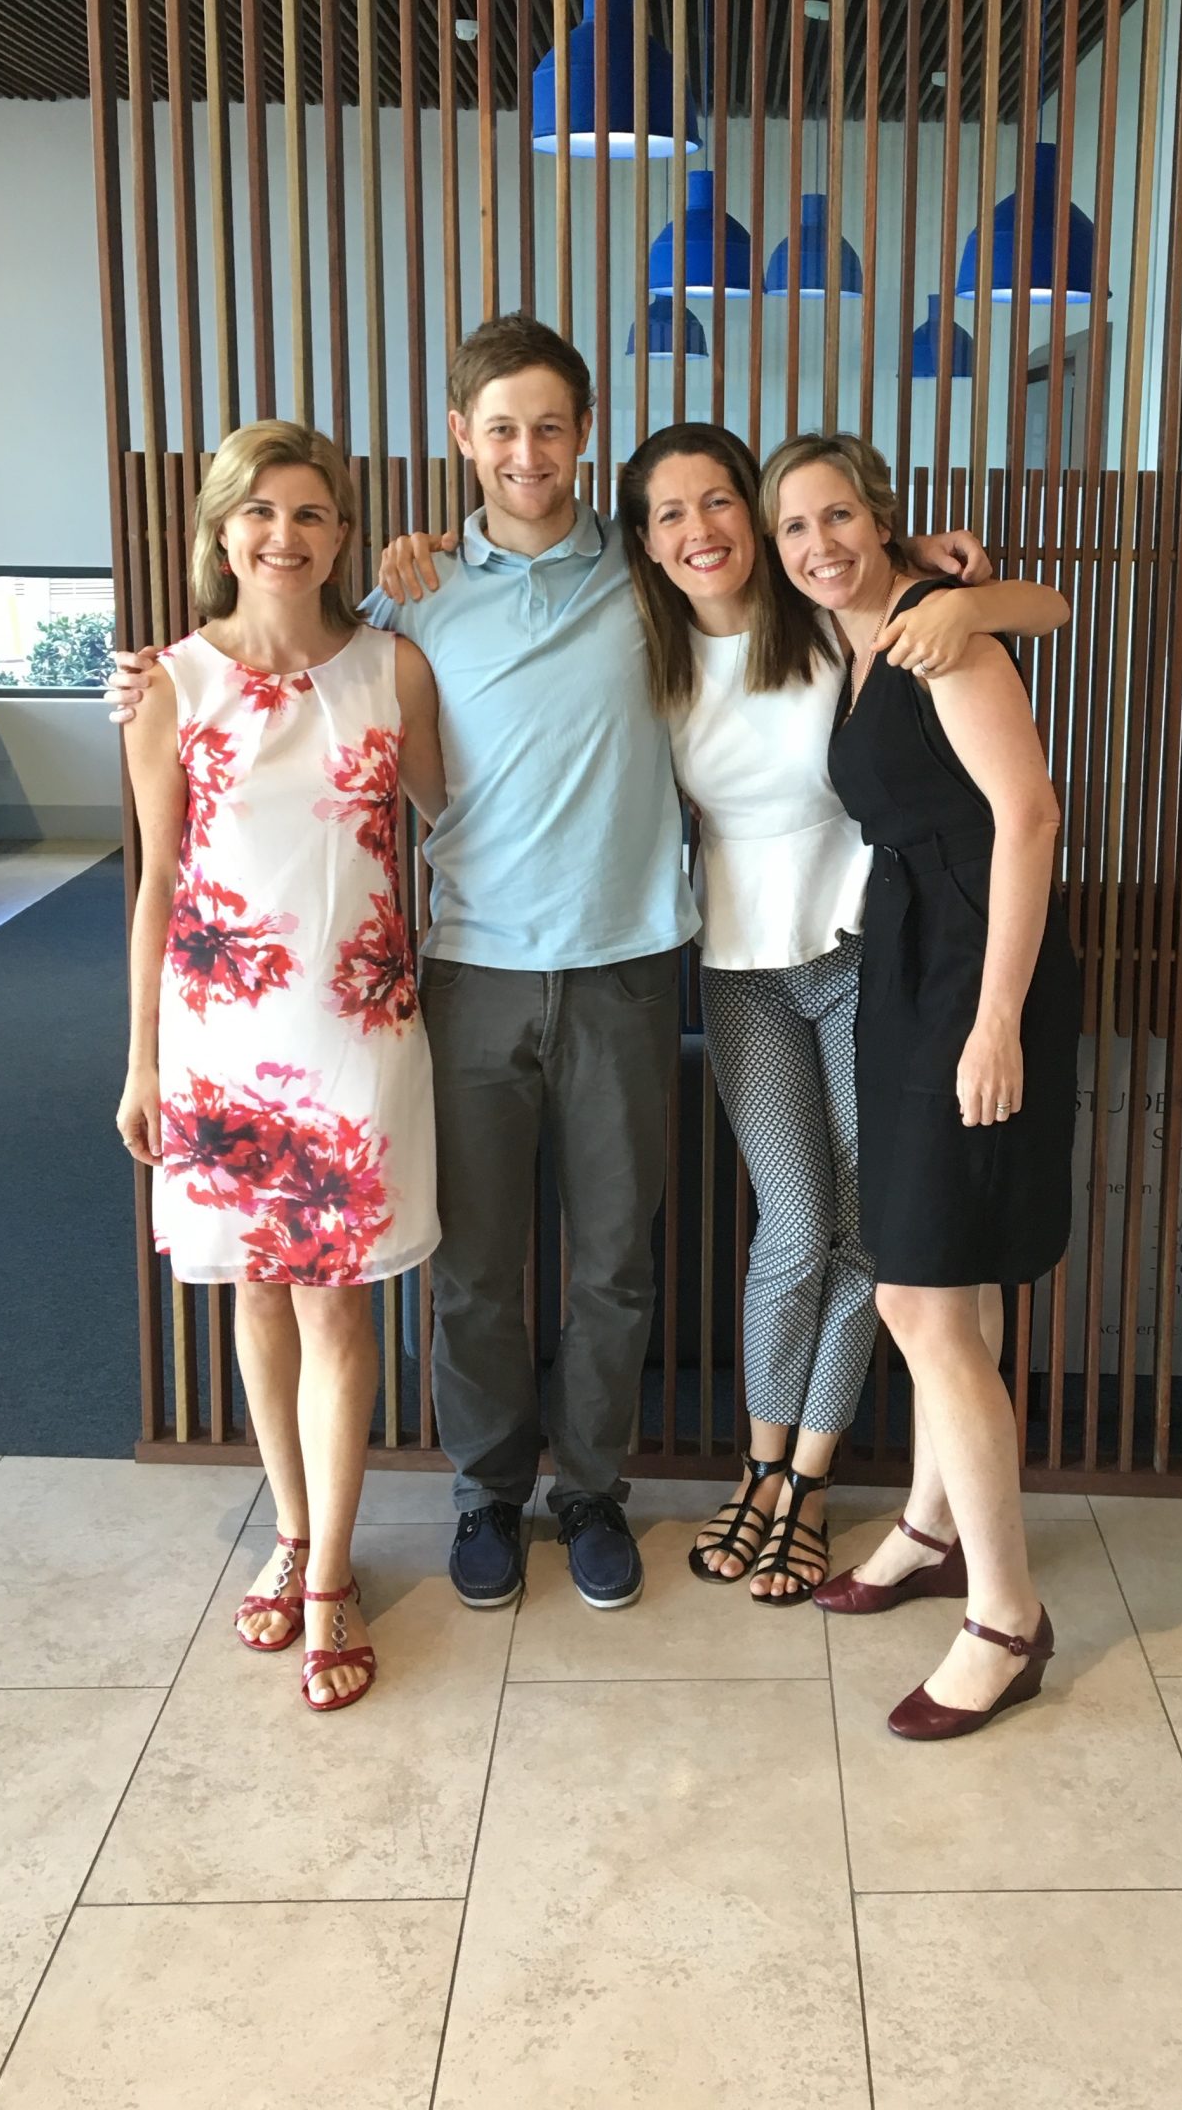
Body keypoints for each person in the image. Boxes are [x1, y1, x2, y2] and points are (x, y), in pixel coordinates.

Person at [123, 313, 993, 1617]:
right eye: (501, 427)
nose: (528, 450)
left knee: (612, 1261)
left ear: (584, 436)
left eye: (552, 425)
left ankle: (589, 1487)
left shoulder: (645, 569)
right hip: (467, 971)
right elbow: (286, 676)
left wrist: (931, 562)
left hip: (632, 968)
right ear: (465, 440)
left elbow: (790, 559)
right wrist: (153, 684)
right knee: (474, 1263)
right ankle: (486, 1489)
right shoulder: (407, 600)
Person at [614, 423, 1068, 1600]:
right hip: (743, 973)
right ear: (647, 541)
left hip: (872, 955)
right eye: (670, 513)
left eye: (718, 502)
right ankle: (759, 1468)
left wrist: (979, 600)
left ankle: (808, 1488)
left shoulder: (821, 614)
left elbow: (1016, 606)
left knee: (876, 1235)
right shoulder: (641, 654)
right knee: (796, 1222)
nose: (699, 529)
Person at [116, 420, 444, 1713]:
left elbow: (454, 820)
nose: (283, 536)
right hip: (219, 1034)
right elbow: (155, 885)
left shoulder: (393, 671)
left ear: (342, 536)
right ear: (220, 532)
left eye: (310, 514)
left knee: (337, 1303)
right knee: (255, 1292)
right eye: (258, 512)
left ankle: (331, 1579)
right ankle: (291, 1528)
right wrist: (141, 1062)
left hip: (359, 1022)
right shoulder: (169, 685)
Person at [765, 430, 1080, 1740]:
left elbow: (1032, 815)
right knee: (942, 1274)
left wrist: (997, 1014)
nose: (818, 544)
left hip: (969, 966)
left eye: (838, 516)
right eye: (796, 528)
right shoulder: (856, 643)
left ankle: (1006, 1619)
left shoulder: (941, 632)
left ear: (883, 519)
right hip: (907, 962)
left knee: (918, 1296)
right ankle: (929, 1526)